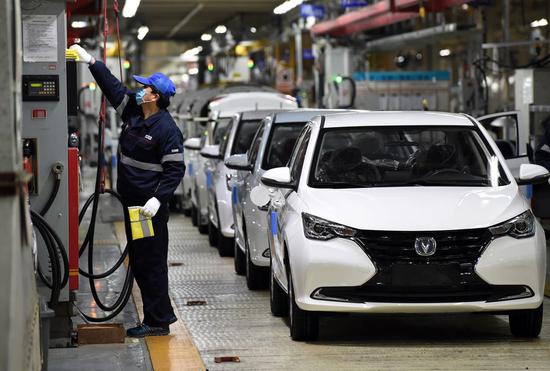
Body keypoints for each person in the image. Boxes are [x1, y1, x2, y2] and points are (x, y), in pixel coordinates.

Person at [70, 44, 185, 337]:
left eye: (145, 88)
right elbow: (113, 88)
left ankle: (158, 321)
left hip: (148, 210)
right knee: (141, 259)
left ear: (155, 97)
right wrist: (92, 62)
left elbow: (175, 170)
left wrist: (158, 200)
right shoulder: (134, 113)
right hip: (132, 205)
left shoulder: (167, 130)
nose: (140, 89)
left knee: (151, 262)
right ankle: (156, 317)